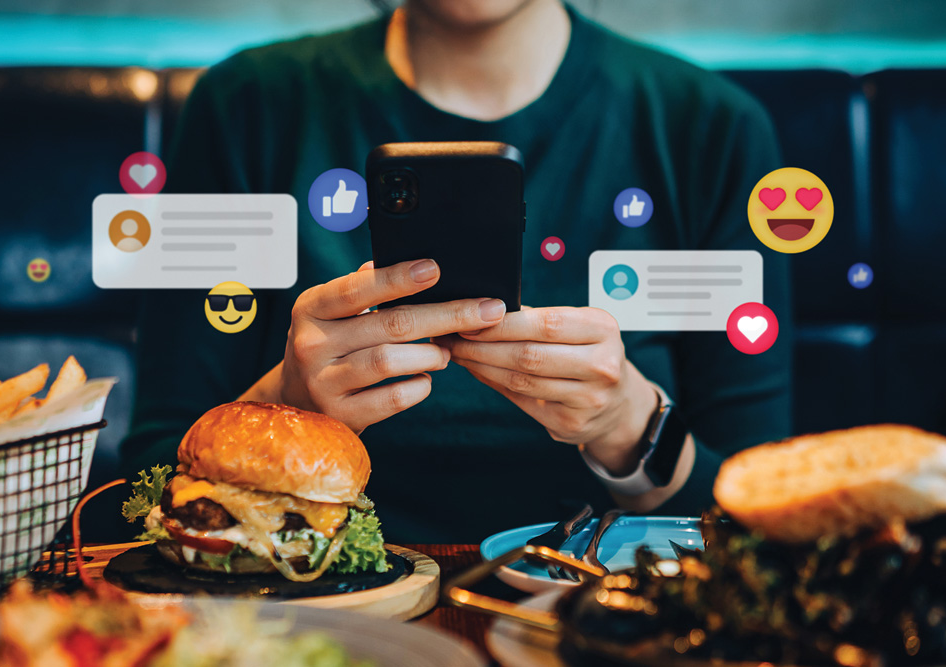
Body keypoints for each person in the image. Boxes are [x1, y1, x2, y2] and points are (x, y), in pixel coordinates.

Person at [122, 0, 792, 543]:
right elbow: (145, 479)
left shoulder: (713, 132)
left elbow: (763, 506)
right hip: (314, 620)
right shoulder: (239, 107)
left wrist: (631, 427)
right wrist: (284, 406)